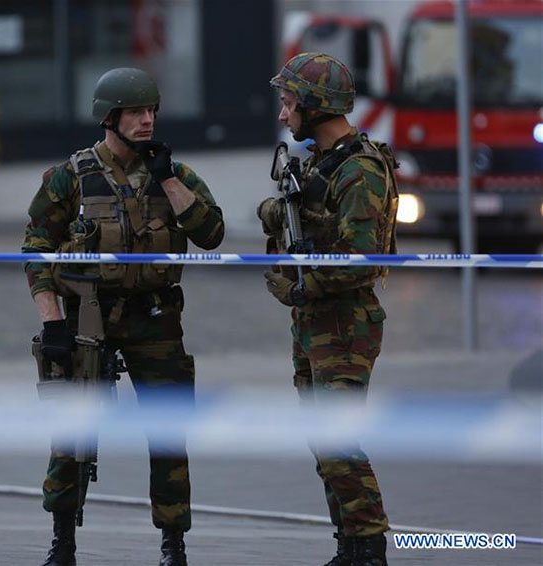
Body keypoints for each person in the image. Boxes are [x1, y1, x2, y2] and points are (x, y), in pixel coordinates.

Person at [22, 67, 225, 566]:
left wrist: (169, 179)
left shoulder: (173, 173)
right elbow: (36, 247)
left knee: (169, 434)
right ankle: (62, 542)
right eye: (135, 112)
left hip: (155, 318)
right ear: (109, 118)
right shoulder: (70, 176)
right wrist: (51, 322)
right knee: (72, 436)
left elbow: (212, 233)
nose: (147, 120)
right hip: (87, 319)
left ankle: (174, 544)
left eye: (151, 111)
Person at [258, 53, 399, 566]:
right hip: (316, 321)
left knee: (339, 444)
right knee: (323, 444)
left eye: (288, 102)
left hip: (344, 322)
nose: (282, 114)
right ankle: (349, 545)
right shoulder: (323, 161)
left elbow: (360, 261)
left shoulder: (359, 170)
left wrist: (303, 286)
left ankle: (370, 547)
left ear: (315, 106)